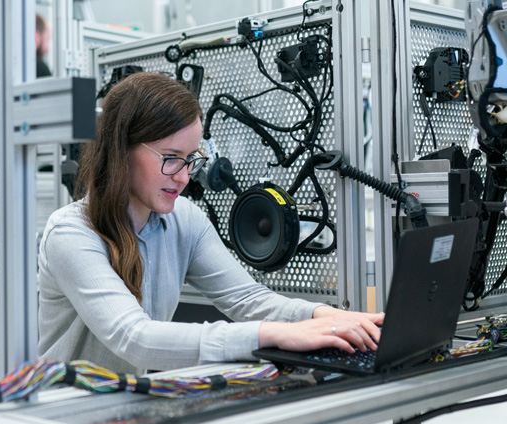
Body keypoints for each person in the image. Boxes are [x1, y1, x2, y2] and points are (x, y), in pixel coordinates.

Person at [37, 72, 384, 375]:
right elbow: (134, 338)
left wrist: (327, 317)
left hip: (125, 405)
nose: (184, 177)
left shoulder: (183, 220)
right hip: (65, 412)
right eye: (171, 159)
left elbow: (249, 300)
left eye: (191, 160)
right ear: (121, 150)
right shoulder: (71, 233)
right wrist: (271, 335)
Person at [0, 14, 52, 171]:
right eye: (48, 38)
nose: (49, 45)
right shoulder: (38, 68)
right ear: (36, 36)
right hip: (19, 161)